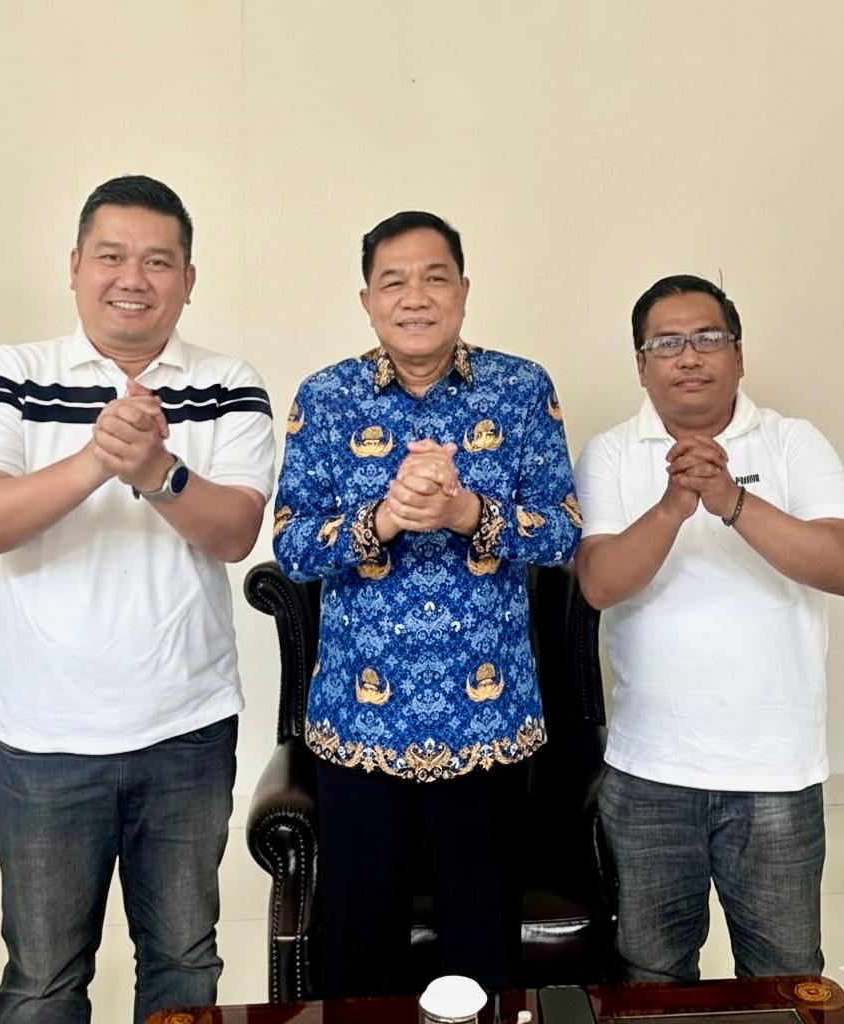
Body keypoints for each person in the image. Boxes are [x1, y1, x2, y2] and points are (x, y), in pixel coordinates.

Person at [0, 175, 275, 1024]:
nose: (133, 278)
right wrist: (98, 458)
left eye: (158, 261)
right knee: (44, 978)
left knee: (184, 960)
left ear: (188, 279)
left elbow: (235, 532)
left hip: (188, 730)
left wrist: (157, 470)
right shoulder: (9, 374)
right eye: (112, 256)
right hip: (45, 739)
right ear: (75, 266)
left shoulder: (229, 383)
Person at [272, 211, 582, 996]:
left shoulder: (521, 390)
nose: (416, 297)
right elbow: (293, 545)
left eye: (435, 277)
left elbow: (563, 533)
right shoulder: (326, 397)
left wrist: (467, 512)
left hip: (486, 719)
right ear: (368, 300)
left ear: (464, 291)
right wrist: (384, 519)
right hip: (361, 723)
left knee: (483, 950)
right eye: (394, 282)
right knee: (359, 953)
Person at [574, 274, 844, 981]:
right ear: (641, 364)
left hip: (777, 770)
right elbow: (600, 584)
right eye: (666, 343)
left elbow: (840, 565)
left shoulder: (793, 441)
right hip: (649, 770)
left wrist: (729, 498)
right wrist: (675, 504)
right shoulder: (610, 452)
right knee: (651, 979)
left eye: (708, 337)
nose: (689, 356)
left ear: (738, 353)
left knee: (784, 977)